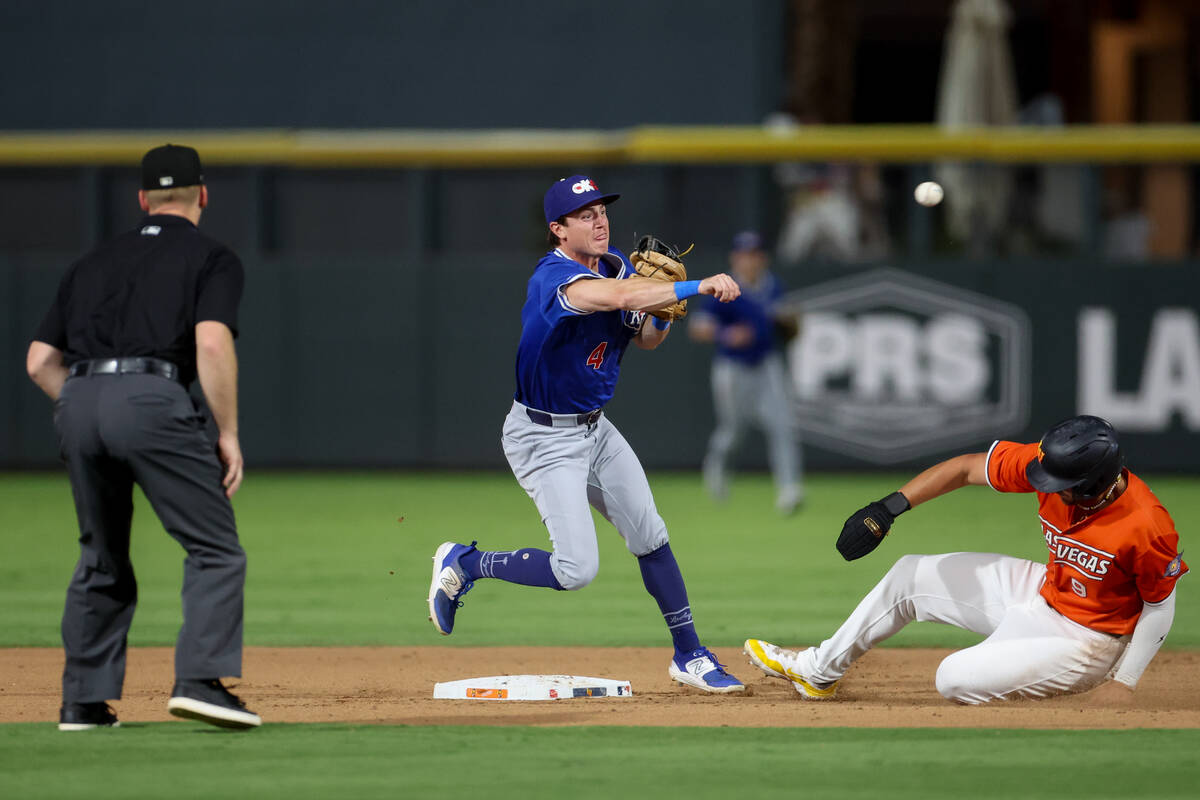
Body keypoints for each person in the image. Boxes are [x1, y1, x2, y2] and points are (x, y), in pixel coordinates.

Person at [427, 175, 746, 693]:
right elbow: (615, 297)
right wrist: (695, 286)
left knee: (651, 535)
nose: (599, 220)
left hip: (596, 429)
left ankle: (690, 654)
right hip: (543, 438)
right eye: (584, 215)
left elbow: (645, 339)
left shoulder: (618, 263)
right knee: (576, 569)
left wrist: (663, 315)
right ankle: (466, 562)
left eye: (601, 210)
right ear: (558, 229)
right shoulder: (555, 279)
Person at [26, 144, 261, 730]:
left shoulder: (92, 261)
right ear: (202, 195)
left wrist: (91, 407)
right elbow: (211, 343)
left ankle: (82, 702)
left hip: (77, 398)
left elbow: (38, 362)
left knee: (100, 557)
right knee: (214, 549)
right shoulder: (212, 257)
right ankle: (200, 682)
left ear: (142, 200)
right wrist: (226, 431)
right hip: (154, 396)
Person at [744, 415, 1187, 704]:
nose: (1045, 483)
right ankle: (817, 673)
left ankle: (1058, 696)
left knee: (952, 679)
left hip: (1089, 642)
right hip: (1041, 592)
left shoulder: (1147, 524)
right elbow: (966, 469)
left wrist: (1123, 683)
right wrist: (889, 508)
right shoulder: (1055, 463)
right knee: (910, 574)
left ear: (1093, 483)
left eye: (1058, 482)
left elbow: (1160, 605)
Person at [688, 231, 804, 514]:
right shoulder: (723, 287)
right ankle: (716, 468)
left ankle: (790, 489)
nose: (750, 260)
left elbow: (789, 323)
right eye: (744, 254)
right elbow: (697, 327)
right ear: (735, 257)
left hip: (766, 364)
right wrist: (727, 333)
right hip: (733, 367)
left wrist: (790, 321)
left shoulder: (772, 286)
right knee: (733, 430)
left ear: (763, 258)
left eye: (754, 254)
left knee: (783, 424)